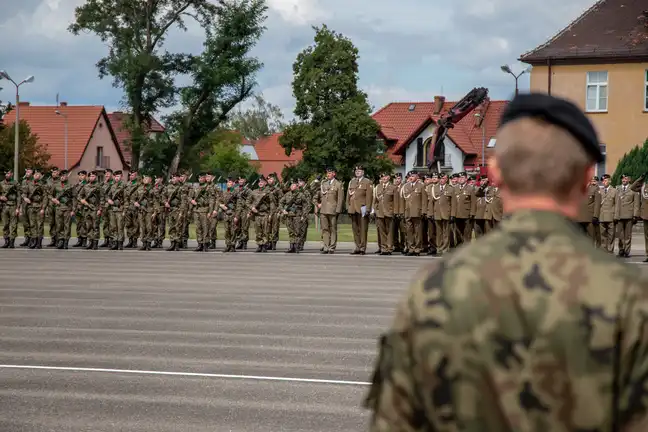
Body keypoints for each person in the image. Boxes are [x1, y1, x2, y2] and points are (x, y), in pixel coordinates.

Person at [364, 92, 648, 431]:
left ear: (496, 172)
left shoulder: (435, 289)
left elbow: (395, 422)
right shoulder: (630, 297)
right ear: (588, 176)